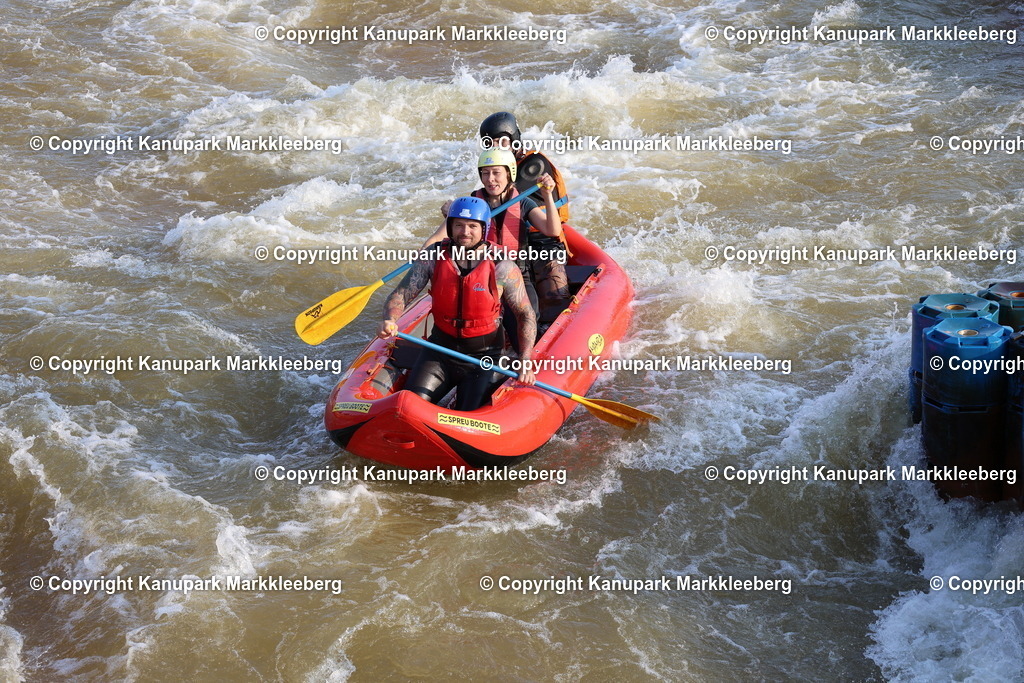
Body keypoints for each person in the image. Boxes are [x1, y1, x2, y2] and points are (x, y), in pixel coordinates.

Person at [379, 196, 536, 411]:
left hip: (485, 357)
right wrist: (390, 319)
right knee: (411, 407)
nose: (465, 232)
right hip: (439, 351)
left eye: (472, 226)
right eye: (459, 225)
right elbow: (402, 294)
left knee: (467, 413)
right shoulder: (433, 256)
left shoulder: (502, 265)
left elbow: (525, 314)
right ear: (450, 227)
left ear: (484, 229)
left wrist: (525, 359)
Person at [425, 149, 567, 346]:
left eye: (496, 172)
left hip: (516, 275)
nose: (490, 179)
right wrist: (451, 216)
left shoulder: (523, 202)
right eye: (485, 173)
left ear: (509, 173)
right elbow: (435, 240)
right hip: (479, 276)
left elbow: (552, 230)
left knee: (528, 321)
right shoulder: (472, 204)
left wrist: (547, 195)